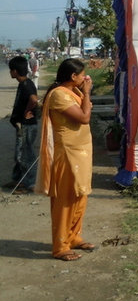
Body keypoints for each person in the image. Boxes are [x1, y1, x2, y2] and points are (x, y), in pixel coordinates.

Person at [35, 58, 95, 261]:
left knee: (80, 195)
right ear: (73, 76)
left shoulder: (72, 92)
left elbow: (86, 110)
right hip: (68, 154)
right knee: (65, 199)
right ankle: (60, 246)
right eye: (82, 75)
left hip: (81, 153)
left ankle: (73, 236)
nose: (84, 78)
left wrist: (83, 94)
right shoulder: (59, 95)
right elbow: (84, 117)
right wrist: (86, 92)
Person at [6, 56, 39, 194]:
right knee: (19, 154)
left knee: (25, 155)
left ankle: (29, 184)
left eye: (10, 70)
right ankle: (18, 179)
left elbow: (34, 100)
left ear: (15, 71)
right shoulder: (23, 84)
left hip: (27, 125)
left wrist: (27, 111)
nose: (10, 73)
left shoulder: (27, 85)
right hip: (22, 125)